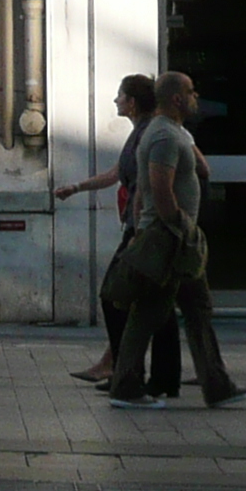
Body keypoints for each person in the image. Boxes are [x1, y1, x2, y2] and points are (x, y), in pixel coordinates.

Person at [106, 71, 246, 410]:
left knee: (196, 308)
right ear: (176, 98)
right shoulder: (163, 136)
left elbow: (158, 184)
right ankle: (126, 386)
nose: (195, 96)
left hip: (171, 236)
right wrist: (179, 226)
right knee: (150, 310)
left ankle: (216, 385)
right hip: (170, 238)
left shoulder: (172, 132)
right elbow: (157, 187)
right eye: (190, 91)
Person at [61, 74, 179, 390]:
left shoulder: (150, 133)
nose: (115, 101)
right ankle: (152, 376)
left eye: (120, 95)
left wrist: (140, 228)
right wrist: (76, 187)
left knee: (115, 297)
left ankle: (127, 372)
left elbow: (148, 185)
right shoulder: (138, 134)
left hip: (143, 230)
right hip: (141, 228)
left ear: (132, 102)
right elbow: (117, 173)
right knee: (156, 305)